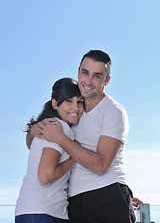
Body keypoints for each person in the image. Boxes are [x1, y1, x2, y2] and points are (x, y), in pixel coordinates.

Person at [29, 50, 136, 222]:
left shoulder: (113, 111)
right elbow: (35, 142)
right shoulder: (72, 110)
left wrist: (61, 139)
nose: (88, 81)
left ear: (106, 81)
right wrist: (35, 129)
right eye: (85, 73)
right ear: (78, 72)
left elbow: (101, 165)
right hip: (74, 201)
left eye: (97, 76)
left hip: (108, 194)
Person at [15, 78, 84, 223]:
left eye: (80, 101)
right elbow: (45, 176)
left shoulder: (50, 125)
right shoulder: (59, 127)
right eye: (69, 101)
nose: (76, 108)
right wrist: (75, 156)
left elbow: (31, 145)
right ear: (55, 104)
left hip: (29, 210)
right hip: (42, 212)